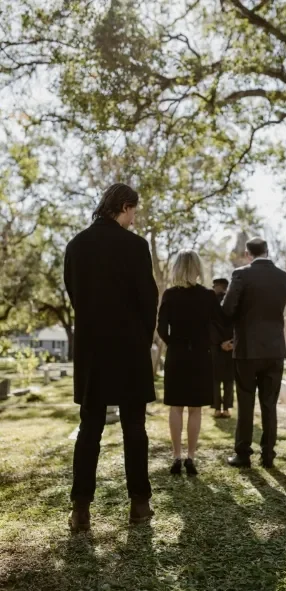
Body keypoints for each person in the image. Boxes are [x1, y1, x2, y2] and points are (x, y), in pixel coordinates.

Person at [64, 183, 158, 531]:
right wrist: (141, 338)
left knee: (90, 427)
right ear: (124, 206)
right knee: (135, 426)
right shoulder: (135, 247)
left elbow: (74, 294)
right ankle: (139, 505)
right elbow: (148, 301)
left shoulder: (76, 245)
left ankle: (80, 510)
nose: (134, 219)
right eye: (134, 211)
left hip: (92, 349)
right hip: (130, 348)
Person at [223, 237, 286, 469]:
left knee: (245, 402)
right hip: (274, 350)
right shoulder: (285, 277)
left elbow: (228, 308)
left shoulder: (241, 274)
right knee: (269, 404)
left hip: (247, 350)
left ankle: (243, 455)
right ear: (267, 251)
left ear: (247, 253)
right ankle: (268, 455)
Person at [157, 250, 224, 476]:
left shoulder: (169, 295)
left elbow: (161, 328)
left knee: (176, 407)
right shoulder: (208, 296)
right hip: (200, 356)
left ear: (177, 268)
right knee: (195, 409)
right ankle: (191, 458)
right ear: (197, 268)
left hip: (176, 355)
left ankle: (176, 456)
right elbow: (220, 323)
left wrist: (172, 343)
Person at [211, 277, 234, 418]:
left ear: (218, 286)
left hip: (215, 346)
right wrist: (231, 342)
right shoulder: (233, 302)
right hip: (231, 346)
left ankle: (217, 409)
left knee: (215, 379)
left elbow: (210, 326)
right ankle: (226, 409)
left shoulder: (210, 303)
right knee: (229, 380)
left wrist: (219, 343)